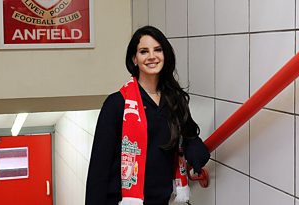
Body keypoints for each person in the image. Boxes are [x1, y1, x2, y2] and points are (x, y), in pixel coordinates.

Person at [85, 26, 210, 205]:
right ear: (135, 59)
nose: (152, 56)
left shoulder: (175, 100)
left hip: (160, 199)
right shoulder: (116, 104)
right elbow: (99, 168)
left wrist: (195, 150)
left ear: (165, 55)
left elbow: (189, 134)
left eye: (157, 50)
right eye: (144, 51)